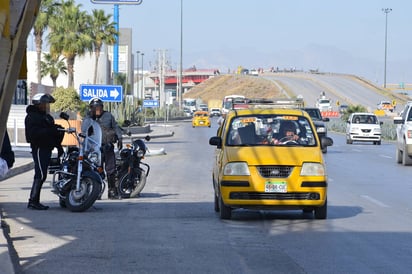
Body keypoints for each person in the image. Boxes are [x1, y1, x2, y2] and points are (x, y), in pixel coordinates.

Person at [25, 93, 64, 210]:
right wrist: (49, 131)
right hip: (39, 148)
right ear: (38, 104)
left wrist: (59, 144)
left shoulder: (47, 117)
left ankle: (35, 200)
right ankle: (33, 201)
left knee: (43, 174)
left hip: (47, 148)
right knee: (40, 174)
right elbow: (32, 135)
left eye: (47, 104)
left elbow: (52, 133)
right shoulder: (31, 117)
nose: (46, 106)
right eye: (44, 104)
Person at [83, 97, 123, 199]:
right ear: (91, 108)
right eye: (95, 107)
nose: (97, 109)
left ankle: (112, 192)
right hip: (95, 148)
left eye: (99, 107)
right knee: (96, 170)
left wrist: (119, 138)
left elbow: (116, 127)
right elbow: (84, 131)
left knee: (111, 170)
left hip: (108, 146)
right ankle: (97, 192)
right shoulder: (88, 118)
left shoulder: (108, 115)